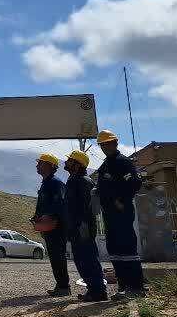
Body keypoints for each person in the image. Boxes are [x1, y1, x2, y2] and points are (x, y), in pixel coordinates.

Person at [95, 129, 146, 298]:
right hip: (109, 214)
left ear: (115, 143)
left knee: (127, 249)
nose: (105, 147)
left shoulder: (122, 162)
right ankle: (123, 287)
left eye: (108, 143)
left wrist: (121, 201)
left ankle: (136, 287)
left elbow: (134, 184)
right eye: (102, 144)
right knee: (115, 250)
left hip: (121, 212)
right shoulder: (106, 164)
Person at [64, 149, 107, 302]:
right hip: (76, 227)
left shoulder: (83, 181)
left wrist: (83, 225)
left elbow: (86, 207)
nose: (66, 162)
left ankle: (98, 291)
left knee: (88, 258)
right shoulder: (74, 179)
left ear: (77, 164)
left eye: (70, 160)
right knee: (81, 260)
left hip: (83, 227)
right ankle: (93, 289)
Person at [31, 153, 70, 297]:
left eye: (40, 163)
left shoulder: (55, 183)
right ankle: (61, 285)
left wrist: (48, 218)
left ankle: (64, 286)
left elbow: (59, 204)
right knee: (54, 256)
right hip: (50, 226)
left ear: (48, 165)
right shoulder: (46, 183)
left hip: (57, 227)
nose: (37, 166)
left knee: (58, 256)